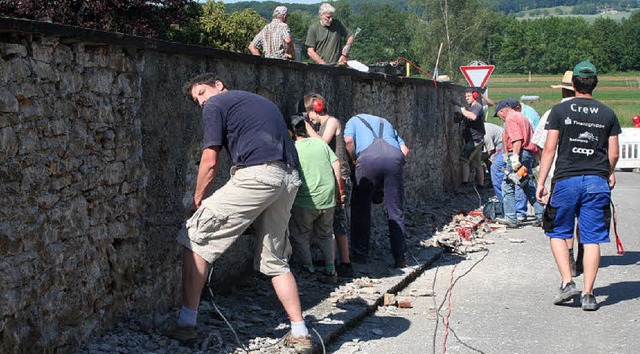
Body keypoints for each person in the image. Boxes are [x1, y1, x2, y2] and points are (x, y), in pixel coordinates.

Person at [171, 73, 312, 353]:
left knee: (193, 234)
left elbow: (210, 161)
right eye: (197, 99)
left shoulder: (217, 103)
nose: (201, 102)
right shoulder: (261, 103)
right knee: (275, 260)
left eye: (201, 93)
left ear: (219, 84)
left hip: (257, 176)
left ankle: (186, 323)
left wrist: (198, 200)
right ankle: (300, 332)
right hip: (289, 179)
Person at [536, 61, 621, 311]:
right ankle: (588, 294)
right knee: (592, 238)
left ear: (573, 84)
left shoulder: (560, 111)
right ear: (594, 83)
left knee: (557, 232)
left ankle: (567, 282)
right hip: (596, 180)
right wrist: (609, 172)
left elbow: (550, 148)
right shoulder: (608, 113)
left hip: (566, 180)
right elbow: (613, 153)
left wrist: (541, 182)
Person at [344, 114, 410, 268]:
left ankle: (360, 255)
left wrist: (354, 160)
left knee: (361, 207)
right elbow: (405, 150)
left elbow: (348, 141)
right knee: (395, 210)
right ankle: (401, 257)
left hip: (367, 160)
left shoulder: (353, 120)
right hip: (394, 159)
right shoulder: (386, 121)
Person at [532, 70, 581, 276]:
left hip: (559, 173)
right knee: (583, 216)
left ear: (563, 89)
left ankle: (568, 257)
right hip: (590, 172)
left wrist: (542, 177)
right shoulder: (597, 111)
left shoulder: (554, 112)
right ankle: (583, 254)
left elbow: (542, 146)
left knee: (564, 218)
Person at [302, 93, 354, 278]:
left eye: (309, 111)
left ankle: (346, 263)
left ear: (315, 108)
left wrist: (307, 128)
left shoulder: (331, 122)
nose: (309, 116)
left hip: (341, 177)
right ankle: (333, 261)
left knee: (339, 220)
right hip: (331, 177)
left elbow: (322, 144)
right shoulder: (322, 125)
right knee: (330, 224)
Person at [289, 114, 341, 284]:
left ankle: (308, 269)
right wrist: (338, 191)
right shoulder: (320, 144)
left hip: (305, 200)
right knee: (326, 234)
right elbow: (336, 164)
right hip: (328, 197)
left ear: (292, 132)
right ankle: (331, 272)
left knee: (301, 234)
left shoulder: (292, 148)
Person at [494, 99, 544, 228]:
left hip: (519, 153)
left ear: (502, 111)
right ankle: (541, 214)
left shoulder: (510, 118)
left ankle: (511, 217)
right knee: (526, 184)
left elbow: (517, 139)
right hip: (527, 153)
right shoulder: (522, 116)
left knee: (507, 184)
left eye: (499, 115)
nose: (500, 118)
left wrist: (514, 157)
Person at [456, 88, 486, 188]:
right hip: (476, 138)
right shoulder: (472, 107)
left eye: (469, 96)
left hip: (475, 139)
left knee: (464, 159)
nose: (467, 98)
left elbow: (473, 117)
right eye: (466, 96)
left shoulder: (476, 107)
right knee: (477, 163)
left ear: (475, 96)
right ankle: (481, 185)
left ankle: (465, 183)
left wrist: (462, 111)